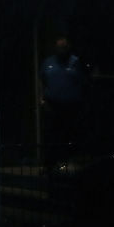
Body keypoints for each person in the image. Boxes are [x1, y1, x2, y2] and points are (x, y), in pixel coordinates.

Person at [40, 36, 88, 167]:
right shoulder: (48, 62)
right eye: (59, 47)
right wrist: (42, 100)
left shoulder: (76, 62)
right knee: (51, 136)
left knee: (68, 135)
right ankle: (49, 165)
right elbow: (42, 81)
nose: (62, 50)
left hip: (71, 107)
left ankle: (67, 164)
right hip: (52, 105)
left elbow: (84, 83)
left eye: (64, 47)